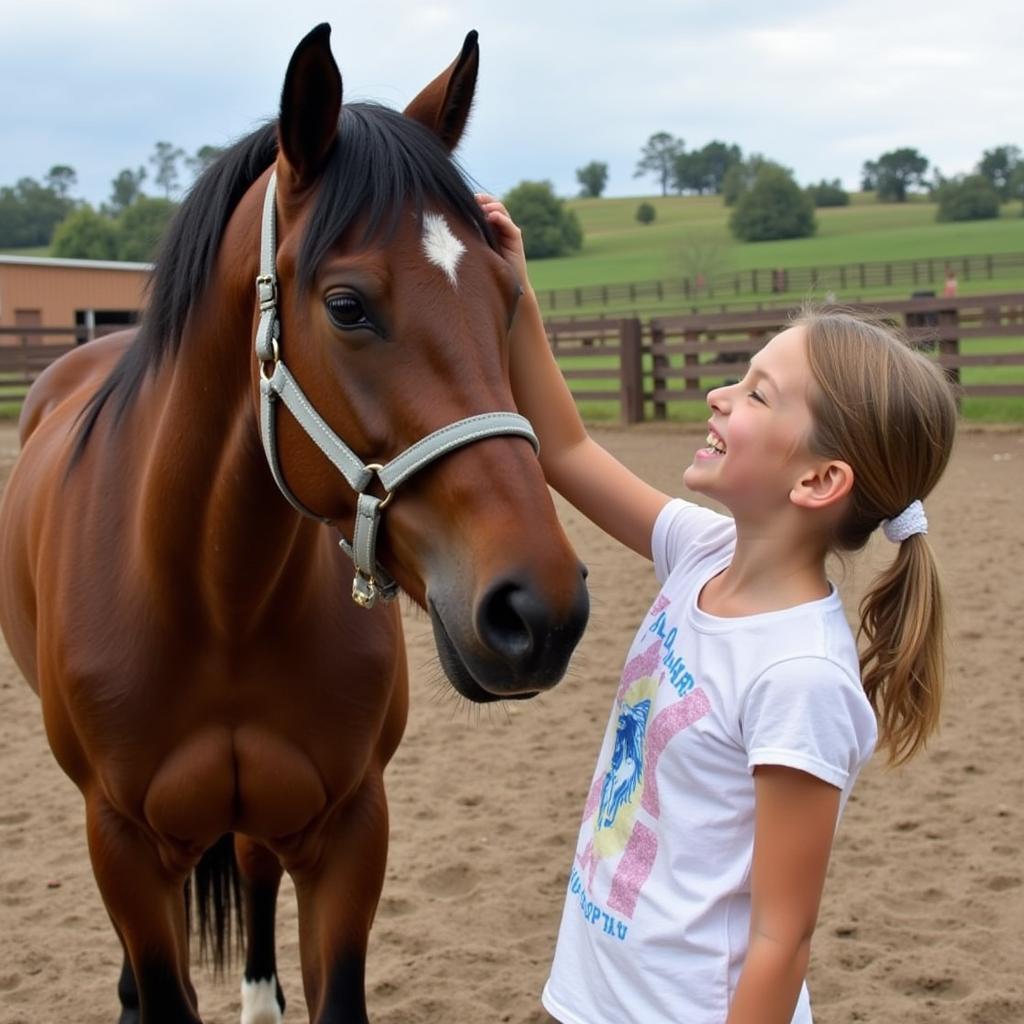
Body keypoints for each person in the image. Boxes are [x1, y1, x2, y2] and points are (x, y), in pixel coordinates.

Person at [477, 195, 958, 1024]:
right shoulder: (701, 551)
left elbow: (782, 936)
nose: (717, 395)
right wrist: (514, 288)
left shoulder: (798, 677)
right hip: (593, 994)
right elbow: (563, 448)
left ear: (817, 481)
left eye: (758, 394)